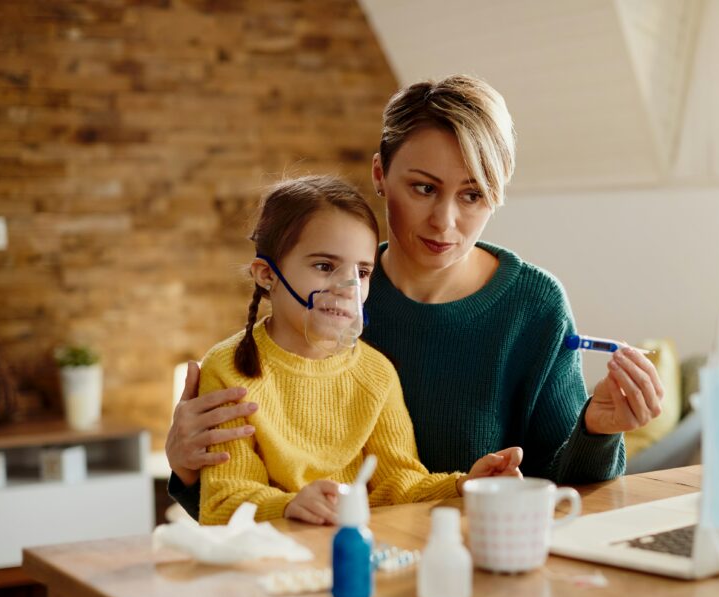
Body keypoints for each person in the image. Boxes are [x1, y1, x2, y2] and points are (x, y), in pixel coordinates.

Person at [167, 75, 664, 521]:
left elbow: (568, 498)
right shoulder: (319, 298)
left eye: (473, 195)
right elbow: (239, 502)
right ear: (381, 175)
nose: (444, 222)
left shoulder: (534, 306)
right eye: (424, 188)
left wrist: (597, 431)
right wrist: (189, 470)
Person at [196, 175, 521, 526]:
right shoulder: (228, 369)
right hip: (272, 565)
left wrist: (462, 485)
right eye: (324, 266)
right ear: (266, 274)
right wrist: (289, 506)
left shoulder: (375, 373)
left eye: (362, 272)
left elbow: (399, 483)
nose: (347, 288)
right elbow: (223, 501)